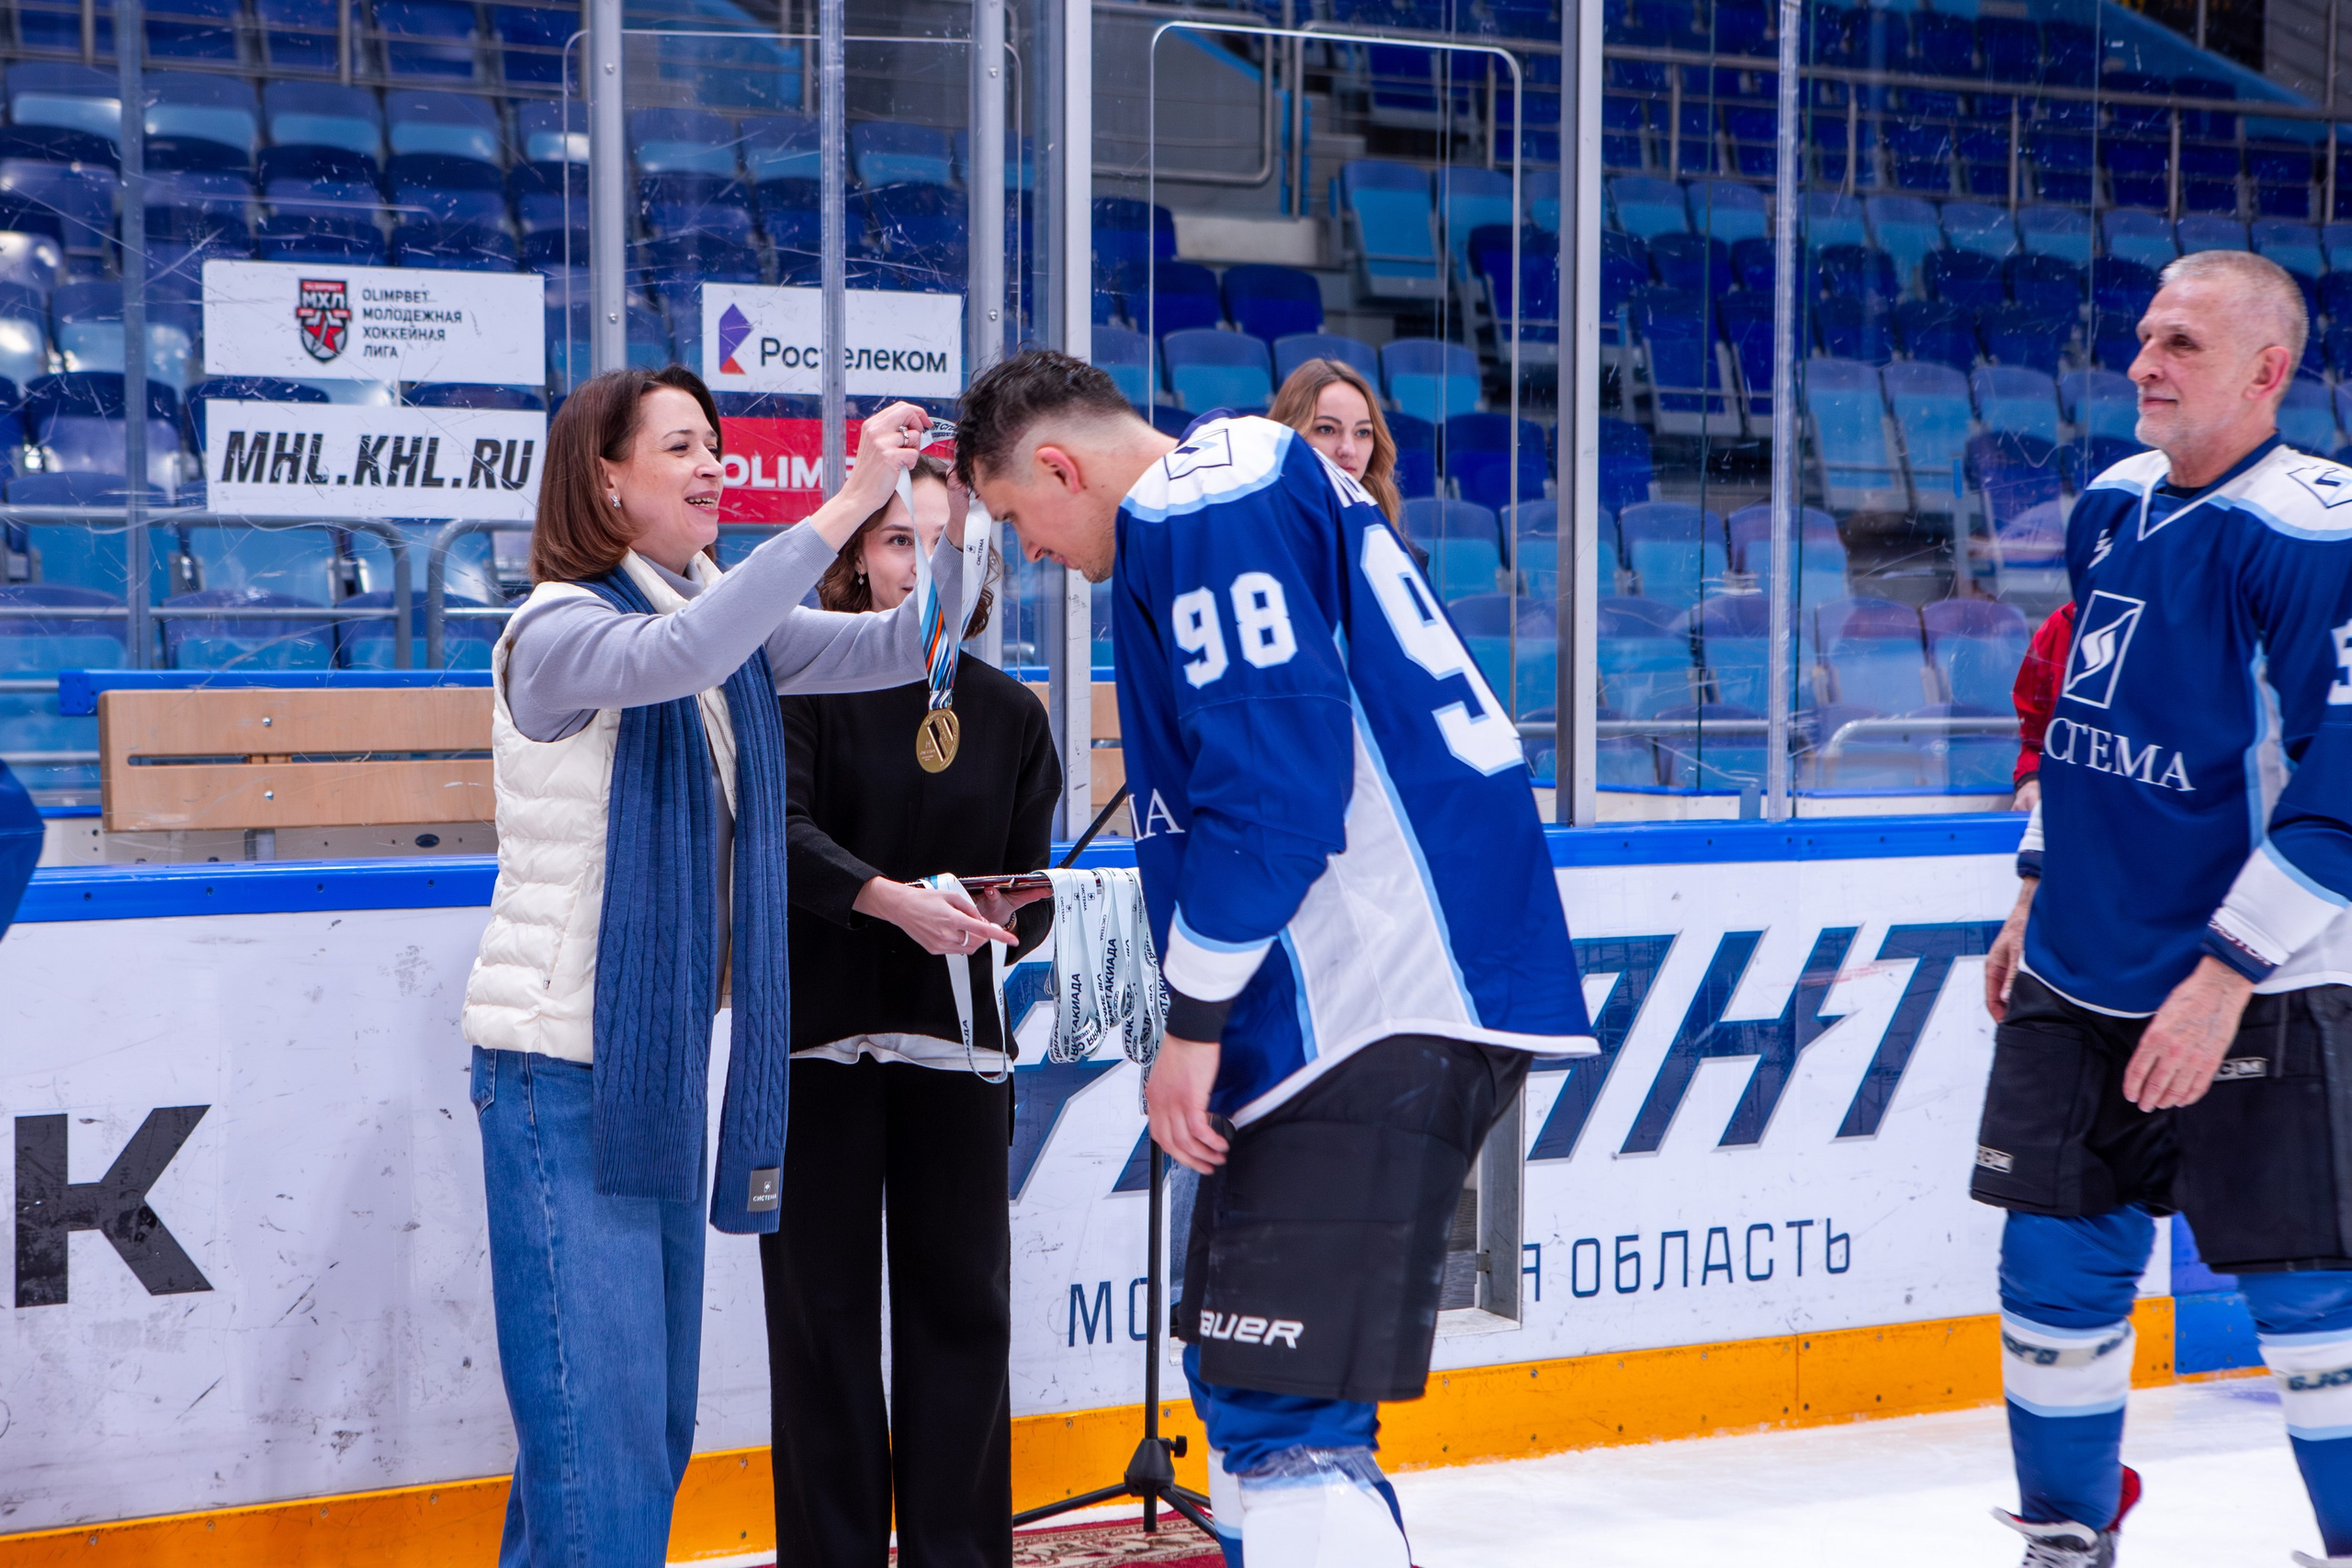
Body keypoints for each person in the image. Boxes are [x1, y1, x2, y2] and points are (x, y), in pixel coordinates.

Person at [953, 347, 1594, 1567]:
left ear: (1055, 463)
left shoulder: (1207, 492)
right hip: (1364, 999)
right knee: (1249, 1387)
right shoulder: (1222, 496)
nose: (1028, 551)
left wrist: (1188, 1027)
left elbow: (1280, 793)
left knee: (1284, 1420)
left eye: (1014, 517)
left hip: (1370, 994)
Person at [459, 367, 1015, 1568]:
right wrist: (840, 502)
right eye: (680, 447)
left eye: (715, 443)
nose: (712, 464)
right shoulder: (556, 629)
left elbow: (905, 647)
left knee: (633, 1435)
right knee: (596, 1443)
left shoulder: (715, 612)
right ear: (605, 477)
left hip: (649, 1069)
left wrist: (952, 522)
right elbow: (687, 649)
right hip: (559, 1073)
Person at [1973, 250, 2352, 1567]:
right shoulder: (2110, 502)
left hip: (2265, 973)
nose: (2144, 361)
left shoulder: (2321, 531)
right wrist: (2034, 881)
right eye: (2144, 333)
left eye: (2182, 342)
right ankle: (2069, 1535)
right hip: (2077, 964)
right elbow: (2081, 724)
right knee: (2052, 1287)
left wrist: (2225, 972)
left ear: (2267, 370)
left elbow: (2342, 785)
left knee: (2311, 1303)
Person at [760, 455, 1060, 1568]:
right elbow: (777, 844)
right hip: (814, 1057)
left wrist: (1009, 915)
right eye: (899, 539)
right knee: (820, 1331)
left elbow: (1026, 897)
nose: (922, 563)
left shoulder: (1012, 714)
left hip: (958, 1062)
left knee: (961, 1320)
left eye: (946, 542)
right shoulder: (796, 684)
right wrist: (888, 903)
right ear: (854, 555)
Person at [1266, 358, 1403, 524]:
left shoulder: (1394, 544)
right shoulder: (1255, 530)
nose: (1348, 449)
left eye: (1362, 432)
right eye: (1327, 429)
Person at [2008, 601, 2074, 812]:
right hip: (2069, 815)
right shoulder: (2060, 626)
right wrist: (2030, 779)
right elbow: (2035, 741)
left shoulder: (2172, 635)